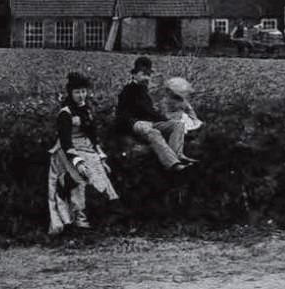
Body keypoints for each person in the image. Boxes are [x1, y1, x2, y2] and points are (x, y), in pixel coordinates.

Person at [48, 72, 119, 235]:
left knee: (101, 177)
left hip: (87, 148)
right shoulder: (65, 113)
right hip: (68, 152)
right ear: (70, 93)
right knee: (81, 178)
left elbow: (93, 136)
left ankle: (103, 217)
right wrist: (77, 162)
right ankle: (79, 220)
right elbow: (65, 141)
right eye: (77, 92)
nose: (81, 96)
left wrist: (101, 157)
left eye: (83, 91)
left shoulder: (87, 110)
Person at [114, 57, 195, 172]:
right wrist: (135, 122)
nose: (146, 78)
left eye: (148, 75)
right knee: (154, 132)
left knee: (178, 125)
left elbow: (151, 111)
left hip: (149, 122)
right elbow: (129, 113)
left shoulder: (143, 91)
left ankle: (178, 155)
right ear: (134, 75)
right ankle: (173, 164)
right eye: (143, 74)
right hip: (134, 123)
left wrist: (165, 120)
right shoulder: (128, 90)